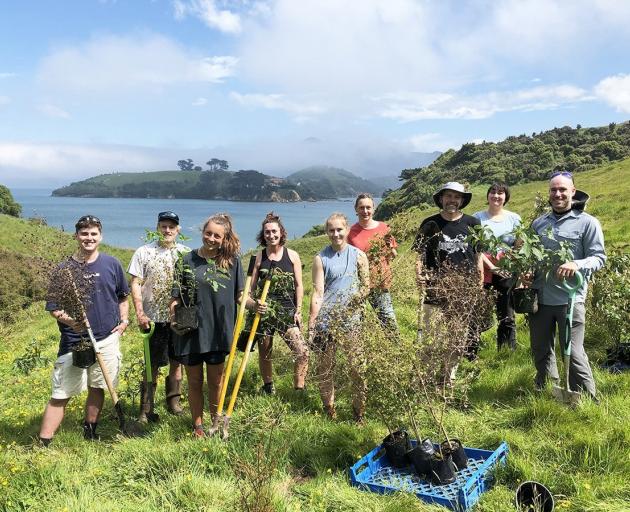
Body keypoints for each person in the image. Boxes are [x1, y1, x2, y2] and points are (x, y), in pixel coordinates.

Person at [39, 215, 130, 445]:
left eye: (93, 234)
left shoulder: (112, 264)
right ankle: (44, 442)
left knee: (98, 386)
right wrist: (71, 321)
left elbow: (122, 296)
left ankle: (90, 431)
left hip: (107, 337)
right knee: (61, 393)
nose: (89, 238)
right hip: (74, 340)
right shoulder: (64, 270)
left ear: (100, 236)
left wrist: (124, 322)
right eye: (84, 233)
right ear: (76, 236)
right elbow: (53, 308)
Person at [528, 171, 605, 400]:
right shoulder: (539, 223)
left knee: (573, 352)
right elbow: (532, 258)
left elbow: (599, 258)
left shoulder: (588, 223)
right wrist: (526, 272)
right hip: (541, 298)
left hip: (571, 300)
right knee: (541, 349)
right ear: (549, 194)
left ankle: (587, 398)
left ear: (573, 191)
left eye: (563, 189)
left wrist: (576, 263)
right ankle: (548, 391)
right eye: (554, 190)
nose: (558, 194)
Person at [169, 213, 244, 438]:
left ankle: (216, 423)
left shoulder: (232, 262)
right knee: (193, 381)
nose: (211, 238)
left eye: (217, 236)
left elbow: (241, 296)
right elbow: (175, 296)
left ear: (225, 238)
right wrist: (173, 313)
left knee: (216, 382)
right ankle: (198, 426)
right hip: (190, 330)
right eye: (208, 233)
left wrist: (255, 304)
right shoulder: (185, 261)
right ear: (203, 232)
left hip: (217, 332)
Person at [127, 211, 189, 422]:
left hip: (177, 317)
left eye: (172, 227)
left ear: (178, 230)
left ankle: (174, 402)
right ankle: (146, 408)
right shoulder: (144, 252)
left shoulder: (185, 253)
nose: (167, 230)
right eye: (164, 226)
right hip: (152, 318)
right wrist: (140, 312)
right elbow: (135, 283)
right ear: (157, 228)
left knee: (177, 361)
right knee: (152, 364)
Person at [308, 213, 370, 422]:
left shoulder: (359, 256)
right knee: (325, 368)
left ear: (346, 230)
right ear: (326, 232)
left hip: (352, 321)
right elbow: (317, 293)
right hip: (326, 322)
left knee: (358, 368)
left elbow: (366, 287)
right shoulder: (320, 258)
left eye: (339, 229)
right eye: (331, 230)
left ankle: (358, 413)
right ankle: (330, 411)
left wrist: (352, 302)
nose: (336, 234)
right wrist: (313, 324)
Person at [414, 182, 484, 360]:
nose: (452, 200)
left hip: (463, 290)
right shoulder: (429, 224)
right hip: (434, 288)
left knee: (457, 335)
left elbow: (479, 257)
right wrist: (419, 275)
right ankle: (429, 374)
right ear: (441, 199)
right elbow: (418, 255)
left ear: (461, 200)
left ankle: (449, 376)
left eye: (456, 197)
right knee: (432, 336)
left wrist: (479, 282)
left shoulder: (473, 223)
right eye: (448, 196)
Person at [242, 212, 309, 394]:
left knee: (302, 352)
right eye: (267, 232)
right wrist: (253, 305)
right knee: (265, 353)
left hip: (287, 311)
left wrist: (299, 310)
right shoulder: (258, 258)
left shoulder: (292, 255)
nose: (271, 235)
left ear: (281, 232)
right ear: (263, 235)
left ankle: (299, 388)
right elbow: (250, 289)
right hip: (264, 313)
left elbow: (298, 285)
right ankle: (268, 386)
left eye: (274, 231)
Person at [473, 183, 522, 351]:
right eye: (492, 192)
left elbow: (518, 245)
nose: (496, 196)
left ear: (505, 197)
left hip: (506, 270)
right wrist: (492, 266)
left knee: (506, 313)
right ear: (487, 196)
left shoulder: (514, 218)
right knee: (478, 312)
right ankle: (471, 352)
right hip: (482, 270)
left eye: (500, 193)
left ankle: (507, 350)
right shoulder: (477, 218)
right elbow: (475, 248)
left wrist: (507, 263)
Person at [347, 193, 400, 337]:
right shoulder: (350, 232)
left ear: (373, 209)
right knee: (358, 322)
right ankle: (362, 355)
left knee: (388, 319)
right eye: (361, 207)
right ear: (356, 209)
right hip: (358, 284)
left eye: (368, 207)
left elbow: (393, 255)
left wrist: (389, 248)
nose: (365, 211)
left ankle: (397, 351)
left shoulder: (384, 228)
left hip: (380, 282)